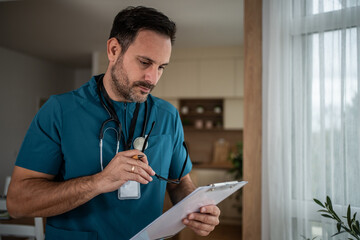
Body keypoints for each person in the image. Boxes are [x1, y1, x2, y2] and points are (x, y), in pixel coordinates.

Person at [6, 6, 220, 240]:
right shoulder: (59, 111)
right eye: (144, 62)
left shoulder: (167, 115)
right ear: (114, 49)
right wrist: (98, 182)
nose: (153, 78)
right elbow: (18, 203)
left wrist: (198, 209)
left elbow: (180, 184)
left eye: (161, 67)